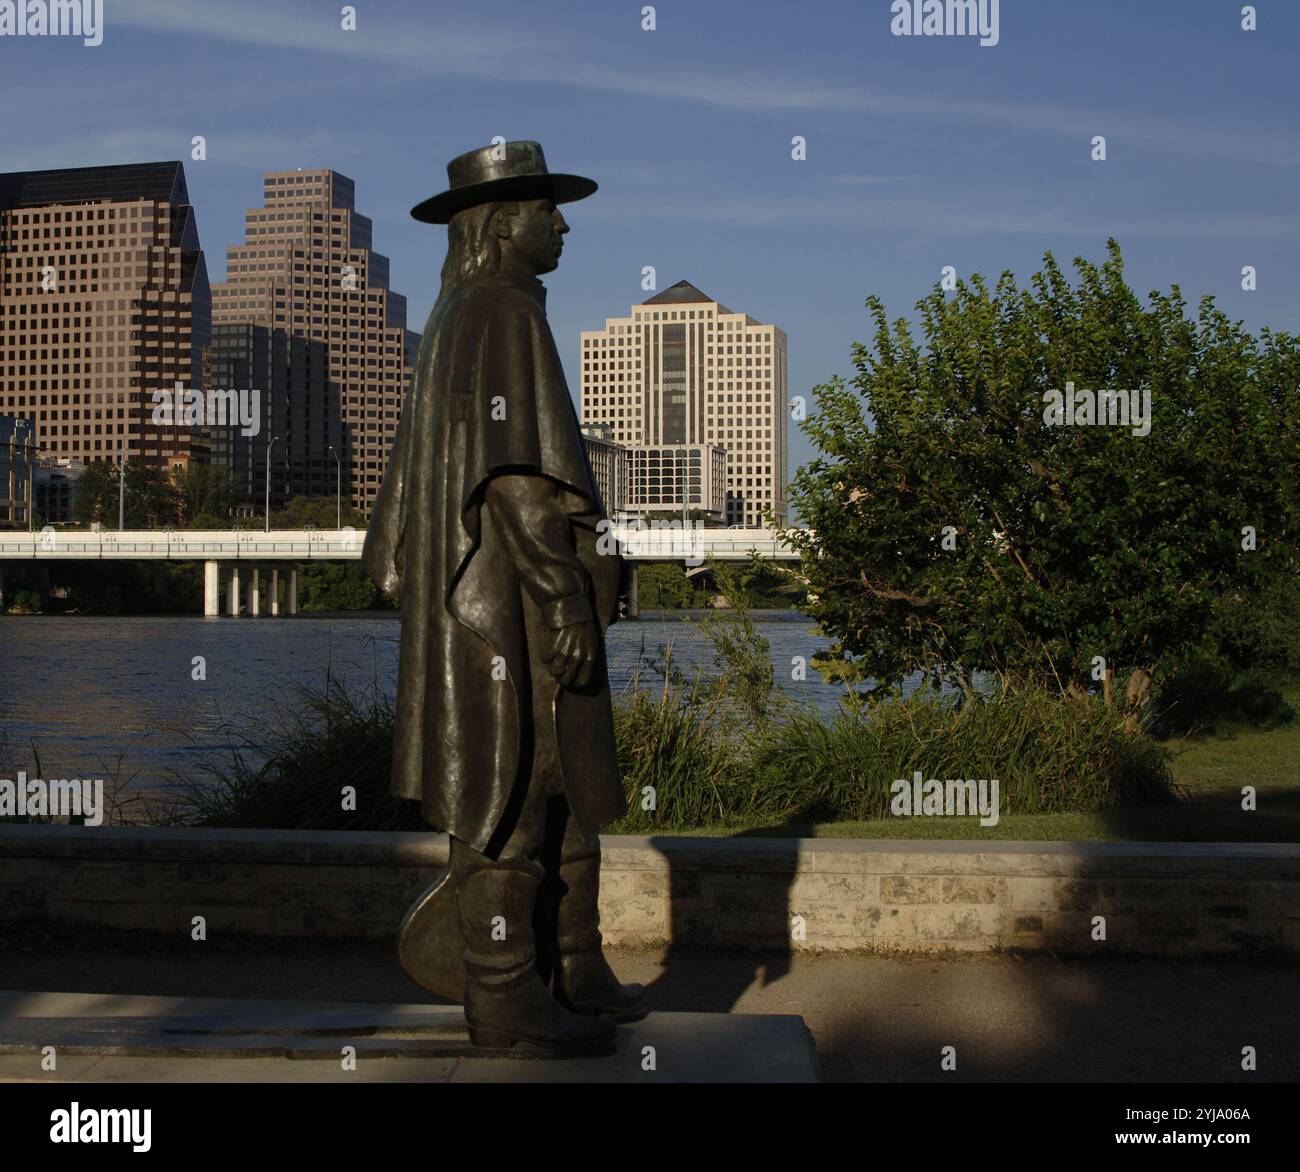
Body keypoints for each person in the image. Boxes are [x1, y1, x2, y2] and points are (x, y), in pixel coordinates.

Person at [363, 141, 645, 1056]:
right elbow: (518, 479)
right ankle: (503, 995)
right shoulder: (502, 312)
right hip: (510, 602)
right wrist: (564, 598)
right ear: (500, 223)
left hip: (503, 593)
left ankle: (572, 965)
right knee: (512, 790)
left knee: (560, 782)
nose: (561, 226)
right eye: (546, 211)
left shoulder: (464, 314)